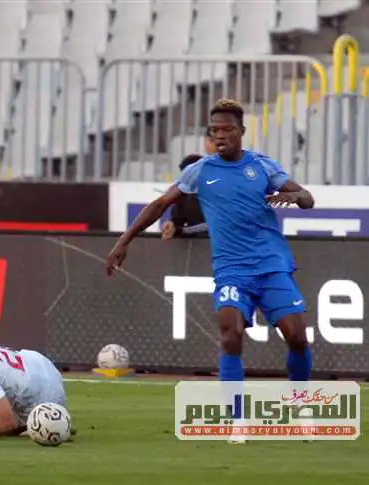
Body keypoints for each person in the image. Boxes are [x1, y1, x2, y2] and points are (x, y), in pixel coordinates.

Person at [106, 99, 315, 440]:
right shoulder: (200, 171)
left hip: (271, 266)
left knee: (297, 338)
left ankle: (300, 406)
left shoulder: (262, 166)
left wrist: (297, 196)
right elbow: (160, 204)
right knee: (230, 335)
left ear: (241, 132)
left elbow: (307, 198)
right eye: (214, 130)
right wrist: (124, 240)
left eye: (227, 129)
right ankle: (237, 420)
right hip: (232, 271)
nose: (220, 135)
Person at [160, 154, 207, 240]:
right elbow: (177, 222)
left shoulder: (219, 193)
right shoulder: (183, 197)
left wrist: (181, 230)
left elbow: (212, 225)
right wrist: (170, 225)